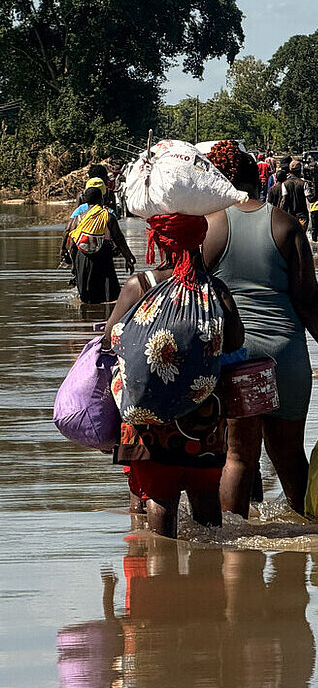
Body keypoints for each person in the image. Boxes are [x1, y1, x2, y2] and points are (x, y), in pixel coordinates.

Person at [203, 144, 318, 517]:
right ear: (259, 180)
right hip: (286, 355)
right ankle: (306, 542)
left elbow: (192, 296)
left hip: (235, 356)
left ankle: (234, 549)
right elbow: (310, 302)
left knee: (238, 457)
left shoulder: (210, 226)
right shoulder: (286, 225)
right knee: (288, 455)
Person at [103, 213, 244, 537]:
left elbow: (111, 339)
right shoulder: (215, 290)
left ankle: (159, 577)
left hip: (148, 418)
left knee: (161, 496)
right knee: (205, 493)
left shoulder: (139, 286)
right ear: (199, 241)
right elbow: (235, 342)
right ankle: (209, 574)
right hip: (204, 419)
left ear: (158, 241)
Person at [60, 180, 136, 304]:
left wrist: (63, 250)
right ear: (101, 200)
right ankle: (105, 319)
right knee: (109, 295)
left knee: (86, 296)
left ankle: (87, 318)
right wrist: (128, 257)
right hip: (103, 256)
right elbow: (119, 239)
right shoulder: (107, 216)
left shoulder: (78, 218)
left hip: (82, 257)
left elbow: (67, 232)